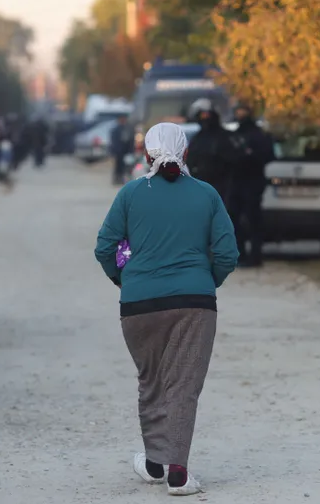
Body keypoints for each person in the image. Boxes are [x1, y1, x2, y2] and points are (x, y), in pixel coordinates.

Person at [94, 122, 239, 496]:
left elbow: (106, 247)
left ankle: (155, 461)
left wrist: (124, 279)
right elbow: (226, 253)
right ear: (186, 153)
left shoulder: (129, 194)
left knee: (152, 381)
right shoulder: (207, 195)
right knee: (183, 386)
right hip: (195, 304)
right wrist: (207, 281)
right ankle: (178, 472)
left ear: (146, 154)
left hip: (139, 304)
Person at [228, 104, 275, 268]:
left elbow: (268, 155)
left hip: (253, 180)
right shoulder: (235, 135)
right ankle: (241, 253)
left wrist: (251, 156)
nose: (240, 113)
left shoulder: (258, 135)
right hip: (236, 180)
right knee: (234, 217)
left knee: (253, 219)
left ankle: (255, 255)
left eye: (243, 110)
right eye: (238, 110)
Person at [185, 98, 238, 202]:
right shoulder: (198, 138)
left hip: (223, 185)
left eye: (207, 115)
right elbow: (190, 160)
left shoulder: (225, 137)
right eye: (202, 115)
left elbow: (234, 161)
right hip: (201, 185)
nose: (205, 118)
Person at [110, 114, 133, 185]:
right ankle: (117, 179)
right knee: (118, 166)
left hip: (125, 151)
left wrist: (130, 150)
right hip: (118, 151)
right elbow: (113, 141)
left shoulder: (127, 129)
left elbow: (130, 140)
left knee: (125, 166)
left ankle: (123, 179)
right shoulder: (116, 129)